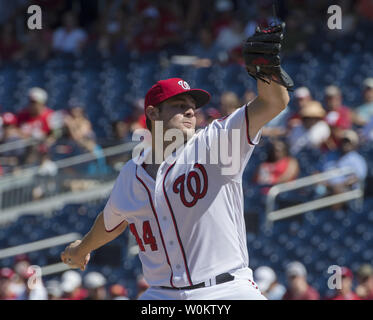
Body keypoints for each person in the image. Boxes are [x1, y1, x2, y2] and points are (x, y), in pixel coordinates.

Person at [61, 25, 290, 300]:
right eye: (179, 104)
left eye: (192, 105)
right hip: (161, 296)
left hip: (226, 289)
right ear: (153, 113)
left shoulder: (213, 144)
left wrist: (266, 70)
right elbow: (111, 221)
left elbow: (273, 103)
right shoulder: (131, 174)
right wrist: (82, 248)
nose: (190, 110)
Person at [320, 130, 367, 198]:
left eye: (348, 142)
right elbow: (322, 171)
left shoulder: (357, 159)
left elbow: (357, 178)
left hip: (347, 192)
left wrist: (338, 186)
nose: (345, 144)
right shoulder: (331, 155)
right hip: (327, 189)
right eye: (344, 141)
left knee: (338, 192)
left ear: (354, 144)